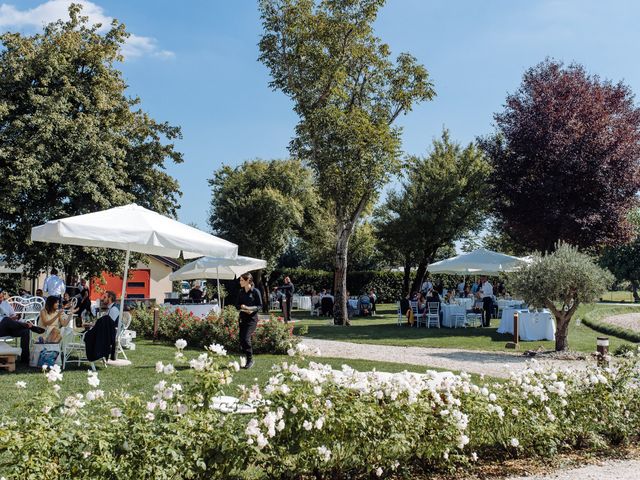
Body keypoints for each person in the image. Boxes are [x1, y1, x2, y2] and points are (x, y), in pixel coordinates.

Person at [0, 288, 46, 363]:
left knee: (25, 331)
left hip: (10, 328)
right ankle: (30, 326)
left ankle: (24, 359)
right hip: (1, 329)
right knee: (6, 319)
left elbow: (14, 316)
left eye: (2, 297)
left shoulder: (5, 304)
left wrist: (17, 318)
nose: (1, 299)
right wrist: (9, 319)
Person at [235, 273, 262, 369]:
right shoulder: (240, 292)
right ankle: (246, 357)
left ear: (248, 281)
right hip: (243, 318)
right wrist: (241, 306)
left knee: (246, 338)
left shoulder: (255, 292)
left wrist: (251, 309)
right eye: (240, 280)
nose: (240, 282)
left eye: (242, 280)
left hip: (252, 319)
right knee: (242, 339)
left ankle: (250, 360)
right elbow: (237, 305)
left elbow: (260, 306)